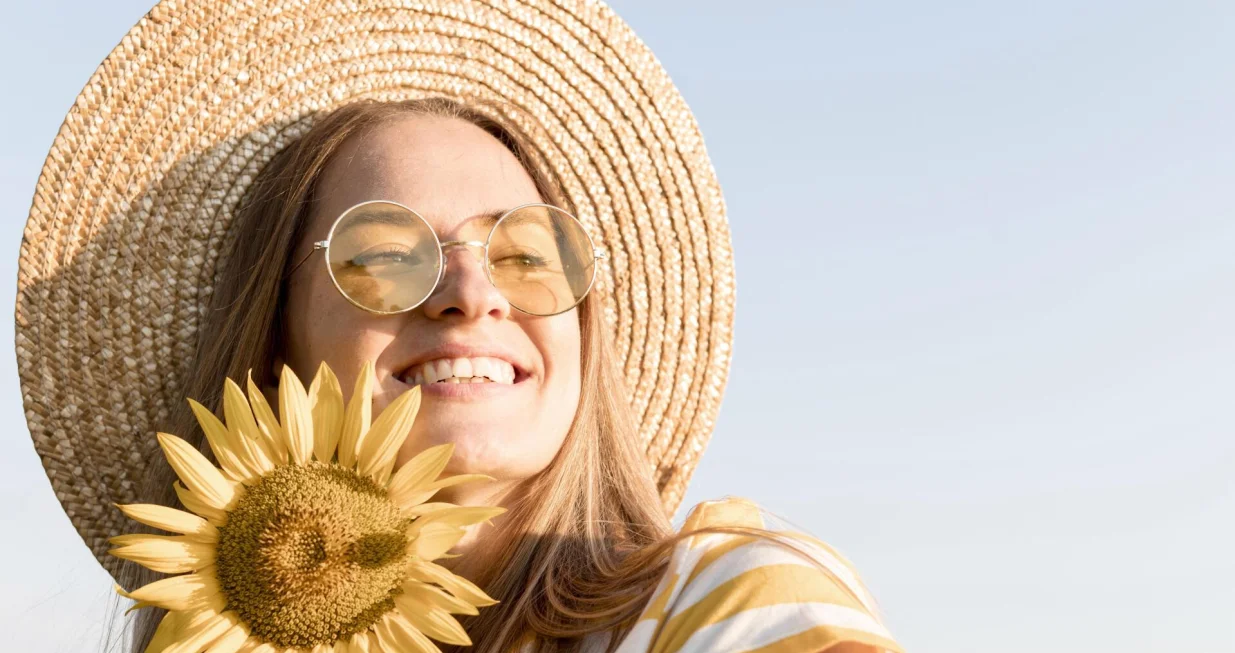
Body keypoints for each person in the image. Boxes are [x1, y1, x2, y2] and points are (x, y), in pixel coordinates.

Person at [16, 2, 903, 652]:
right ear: (276, 333)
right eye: (383, 250)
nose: (472, 292)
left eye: (529, 249)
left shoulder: (721, 600)